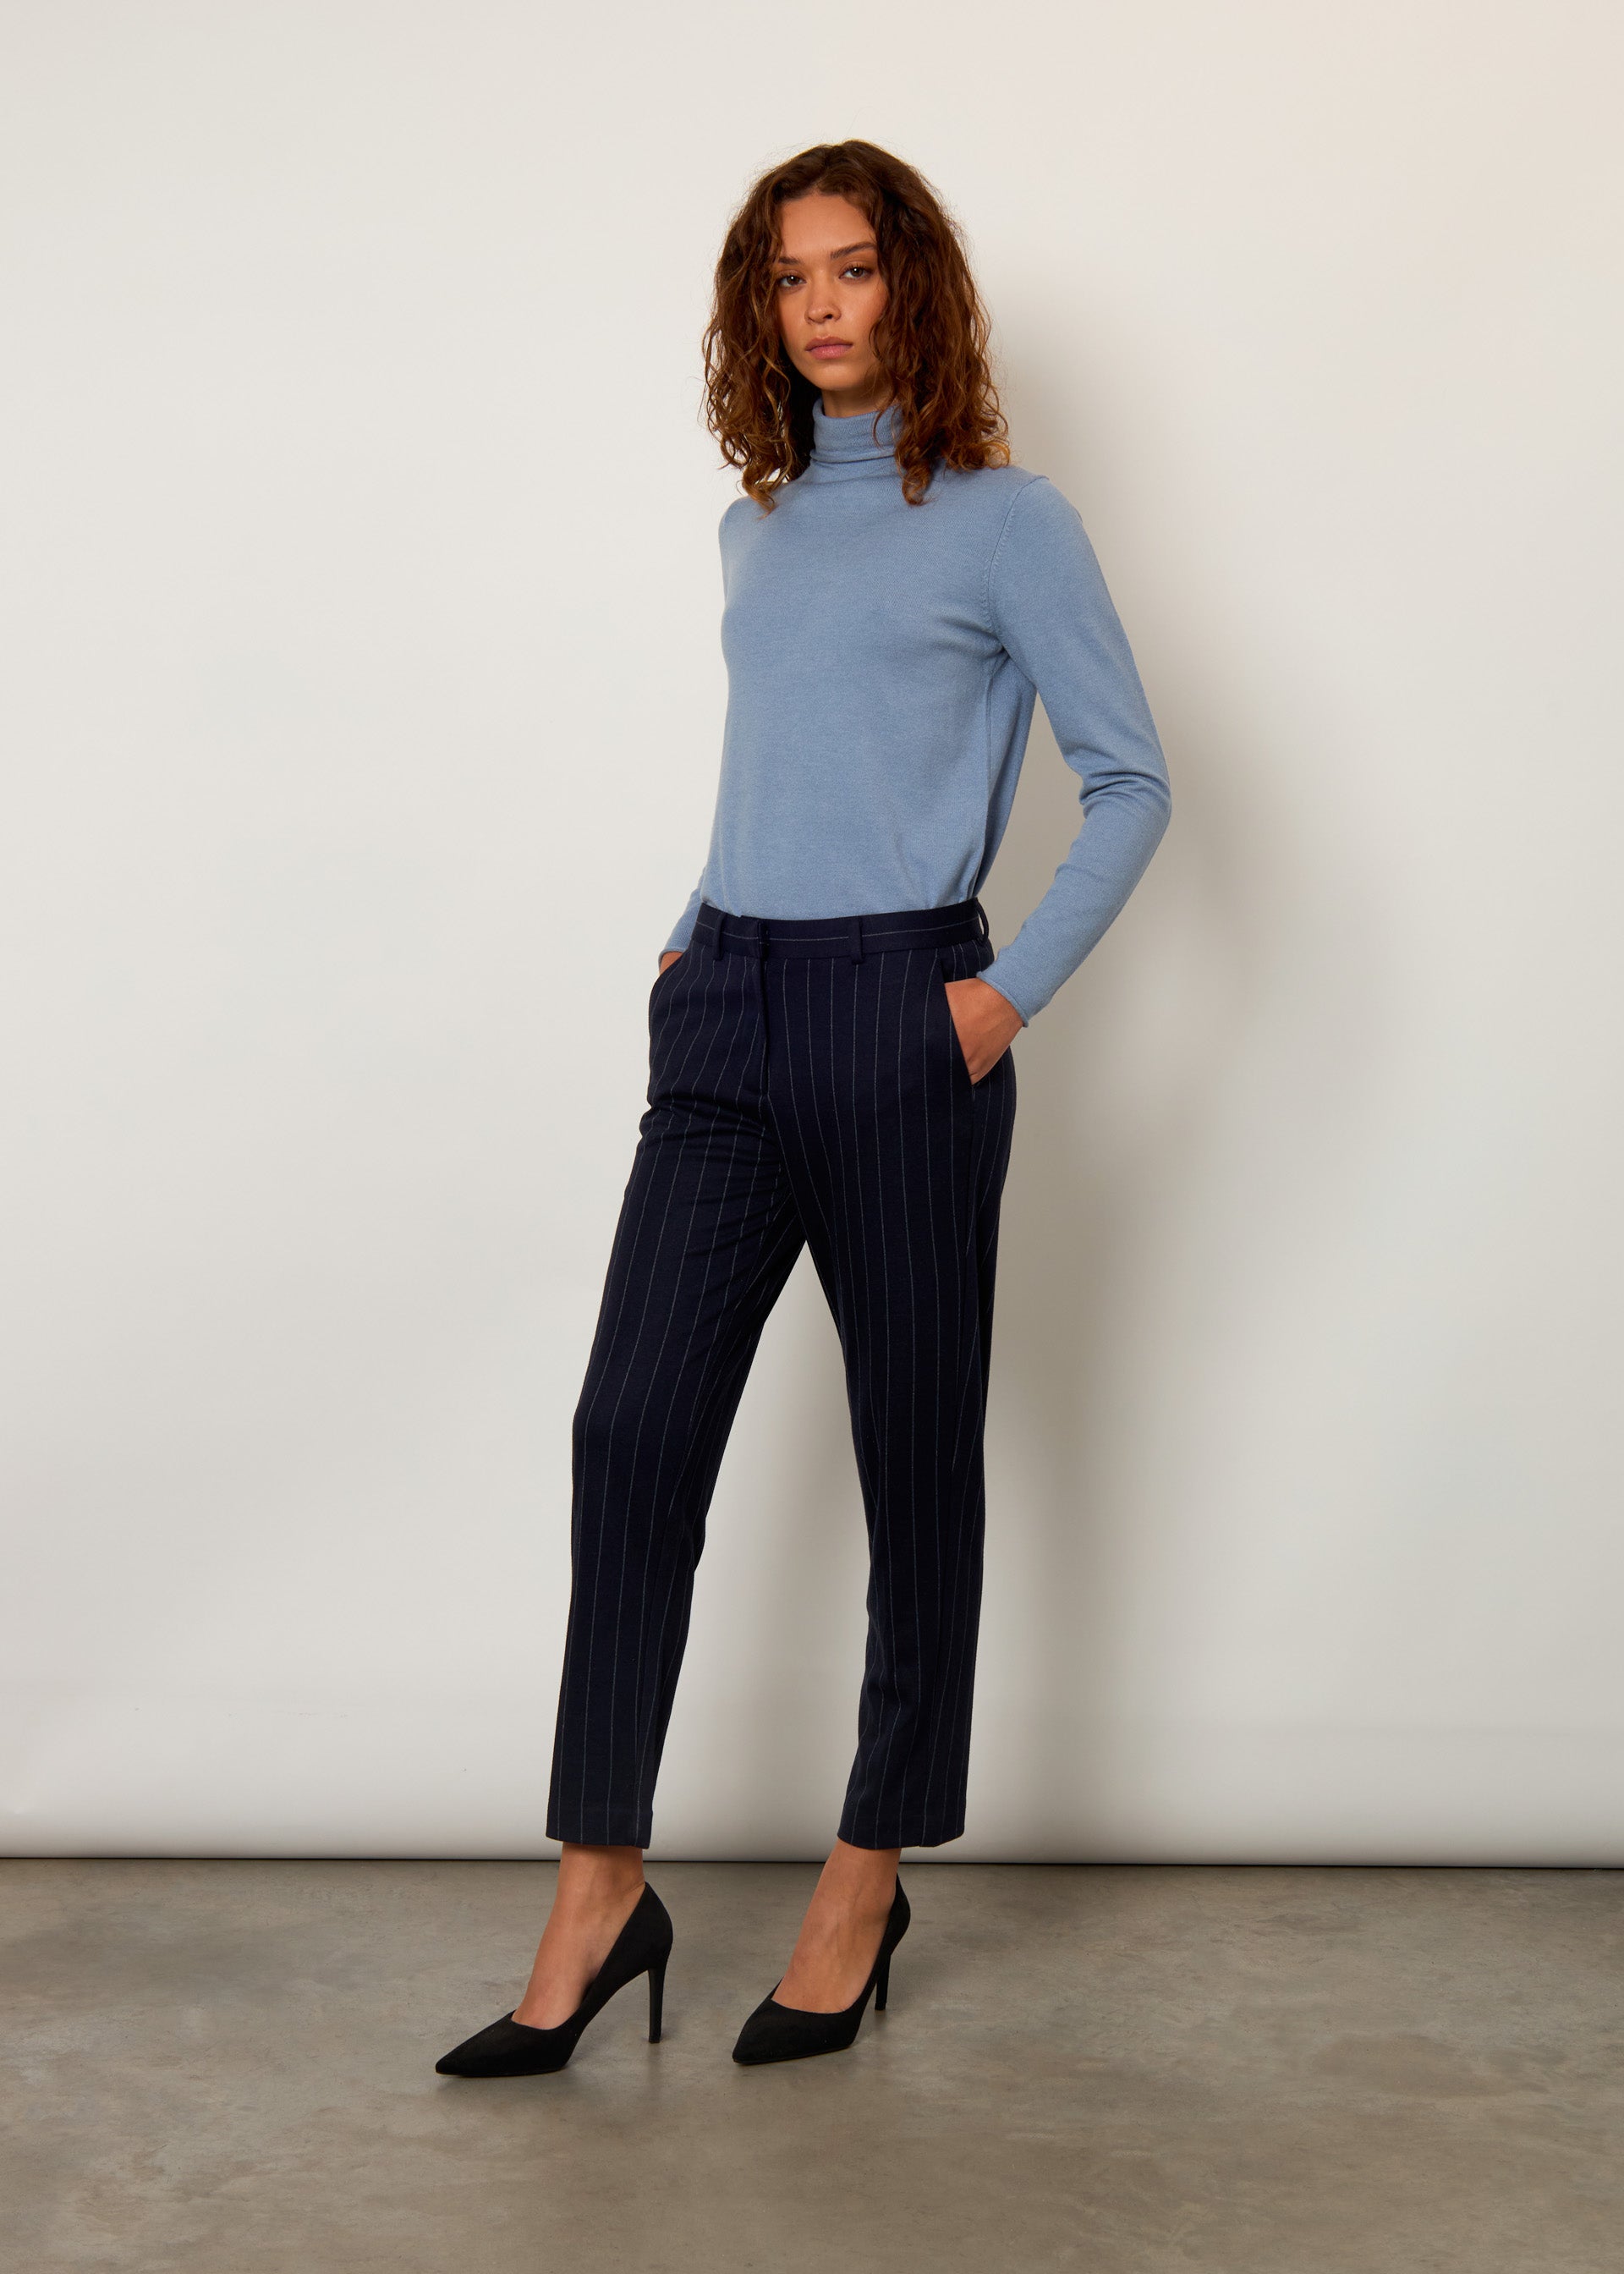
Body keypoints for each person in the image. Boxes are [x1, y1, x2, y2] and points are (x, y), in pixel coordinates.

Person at [436, 138, 1171, 2079]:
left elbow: (1132, 782)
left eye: (852, 266)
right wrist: (696, 937)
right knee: (629, 1433)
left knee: (912, 1460)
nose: (821, 304)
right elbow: (783, 761)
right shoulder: (753, 530)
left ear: (913, 285)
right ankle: (601, 1888)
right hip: (732, 1009)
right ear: (758, 310)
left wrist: (996, 1001)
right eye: (787, 277)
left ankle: (865, 1877)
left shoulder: (1010, 523)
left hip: (903, 1013)